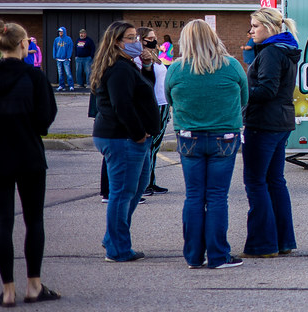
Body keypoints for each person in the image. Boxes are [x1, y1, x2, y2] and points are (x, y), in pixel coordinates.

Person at [0, 20, 59, 307]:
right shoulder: (34, 77)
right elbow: (44, 120)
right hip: (27, 154)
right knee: (33, 219)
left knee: (2, 221)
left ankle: (7, 290)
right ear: (23, 44)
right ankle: (34, 285)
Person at [165, 20, 248, 270]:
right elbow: (244, 98)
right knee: (216, 197)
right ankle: (218, 255)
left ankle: (193, 256)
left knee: (193, 196)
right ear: (214, 38)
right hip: (225, 137)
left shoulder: (176, 69)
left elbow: (169, 98)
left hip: (189, 137)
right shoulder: (231, 66)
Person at [91, 21, 159, 263]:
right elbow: (123, 106)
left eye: (136, 37)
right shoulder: (118, 69)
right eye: (130, 38)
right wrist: (139, 133)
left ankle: (113, 238)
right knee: (122, 194)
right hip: (122, 138)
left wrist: (148, 66)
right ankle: (118, 249)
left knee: (136, 189)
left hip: (128, 138)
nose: (137, 42)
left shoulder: (127, 65)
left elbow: (142, 91)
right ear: (117, 42)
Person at [242, 7, 299, 258]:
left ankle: (262, 244)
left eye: (254, 26)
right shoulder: (285, 49)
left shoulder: (271, 53)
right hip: (279, 122)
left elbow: (267, 89)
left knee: (257, 182)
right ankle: (282, 241)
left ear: (269, 27)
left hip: (264, 124)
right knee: (275, 182)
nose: (250, 31)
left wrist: (240, 95)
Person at [137, 27, 170, 195]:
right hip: (154, 104)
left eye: (155, 37)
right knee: (149, 146)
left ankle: (151, 179)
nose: (154, 39)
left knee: (155, 146)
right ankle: (144, 183)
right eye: (150, 37)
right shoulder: (139, 57)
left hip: (163, 103)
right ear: (142, 39)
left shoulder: (154, 54)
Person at [52, 26, 74, 91]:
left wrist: (68, 56)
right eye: (59, 32)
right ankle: (61, 85)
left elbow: (70, 48)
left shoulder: (68, 39)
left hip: (66, 59)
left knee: (68, 73)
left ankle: (71, 85)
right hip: (58, 59)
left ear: (64, 32)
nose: (60, 33)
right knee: (60, 73)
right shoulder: (56, 39)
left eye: (61, 31)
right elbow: (54, 48)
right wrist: (55, 56)